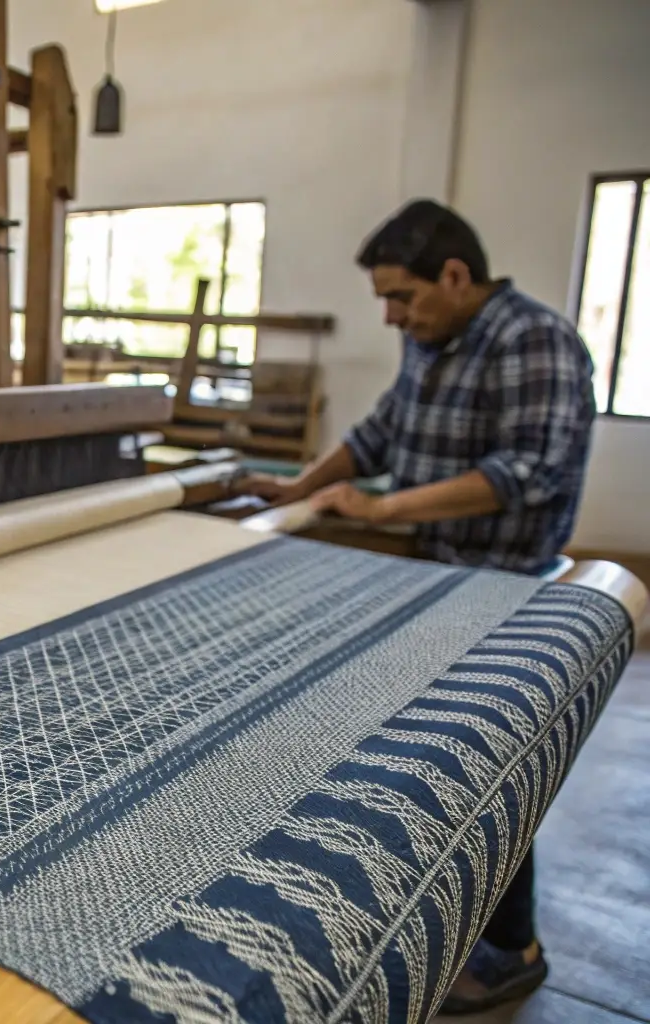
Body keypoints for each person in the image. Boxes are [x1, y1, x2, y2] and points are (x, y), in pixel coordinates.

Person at [243, 199, 596, 1012]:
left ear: (456, 275)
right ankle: (426, 903)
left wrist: (385, 511)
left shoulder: (533, 340)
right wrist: (296, 488)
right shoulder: (430, 341)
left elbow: (529, 473)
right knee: (427, 757)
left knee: (494, 765)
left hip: (506, 583)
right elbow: (378, 433)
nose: (392, 316)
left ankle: (513, 950)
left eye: (402, 297)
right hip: (432, 573)